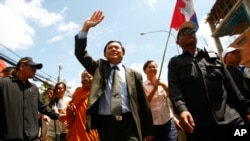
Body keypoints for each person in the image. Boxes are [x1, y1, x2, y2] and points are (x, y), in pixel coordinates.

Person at [74, 10, 154, 141]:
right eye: (109, 48)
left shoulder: (134, 75)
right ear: (105, 55)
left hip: (130, 123)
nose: (113, 49)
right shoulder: (99, 68)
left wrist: (149, 129)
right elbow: (80, 53)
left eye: (117, 47)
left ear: (123, 53)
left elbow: (143, 103)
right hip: (106, 124)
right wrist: (85, 28)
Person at [167, 21, 250, 141]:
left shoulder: (214, 57)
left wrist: (247, 110)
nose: (190, 33)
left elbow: (231, 87)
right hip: (199, 127)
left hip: (232, 121)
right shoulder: (174, 63)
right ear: (177, 42)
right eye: (185, 32)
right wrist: (182, 110)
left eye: (192, 31)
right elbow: (175, 91)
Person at [0, 57, 66, 141]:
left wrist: (57, 116)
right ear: (22, 66)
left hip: (32, 138)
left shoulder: (34, 88)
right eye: (33, 67)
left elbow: (42, 106)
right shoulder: (3, 84)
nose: (35, 71)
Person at [143, 60, 181, 141]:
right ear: (145, 71)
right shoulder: (142, 86)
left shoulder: (164, 82)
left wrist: (163, 85)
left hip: (168, 122)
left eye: (154, 67)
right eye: (150, 67)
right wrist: (154, 89)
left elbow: (170, 97)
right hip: (152, 125)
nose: (152, 68)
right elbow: (145, 102)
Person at [66, 70, 99, 141]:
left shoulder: (99, 93)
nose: (85, 79)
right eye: (83, 77)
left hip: (92, 130)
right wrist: (71, 111)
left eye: (88, 77)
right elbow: (71, 115)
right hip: (77, 130)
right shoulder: (77, 93)